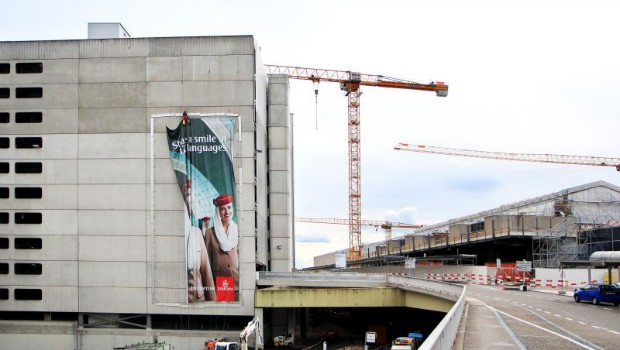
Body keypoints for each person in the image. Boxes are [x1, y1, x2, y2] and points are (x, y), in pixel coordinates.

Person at [182, 180, 216, 302]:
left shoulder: (196, 233)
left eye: (191, 199)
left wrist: (213, 302)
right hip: (178, 300)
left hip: (198, 299)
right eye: (186, 197)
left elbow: (206, 272)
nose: (188, 203)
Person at [204, 193, 240, 300]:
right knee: (226, 314)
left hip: (237, 282)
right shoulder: (210, 233)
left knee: (240, 314)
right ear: (218, 212)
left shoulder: (238, 230)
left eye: (229, 207)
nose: (227, 212)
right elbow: (207, 262)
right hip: (220, 282)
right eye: (222, 209)